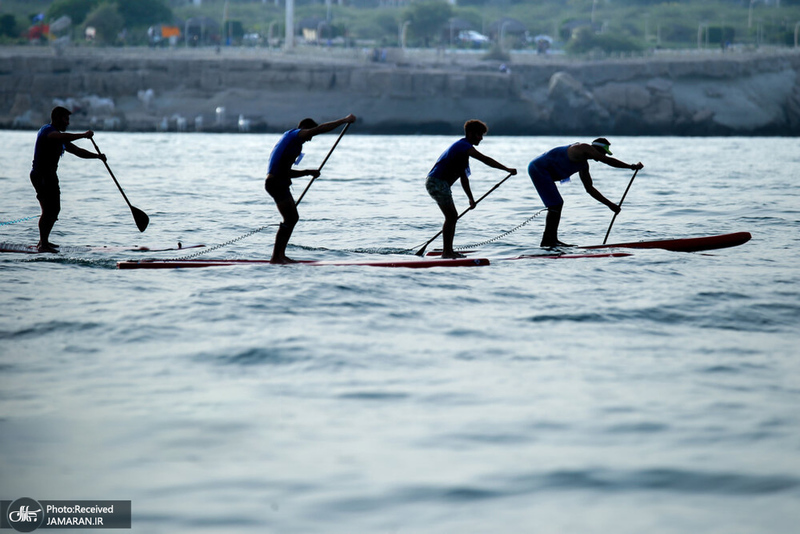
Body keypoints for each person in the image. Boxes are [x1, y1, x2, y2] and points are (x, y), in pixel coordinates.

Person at [265, 114, 356, 264]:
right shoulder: (295, 135)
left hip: (278, 182)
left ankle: (280, 256)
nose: (310, 139)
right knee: (291, 218)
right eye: (310, 134)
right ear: (305, 128)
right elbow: (319, 129)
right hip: (275, 183)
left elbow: (285, 171)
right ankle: (276, 257)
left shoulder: (292, 142)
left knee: (291, 218)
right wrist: (344, 121)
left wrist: (308, 172)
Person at [527, 138, 644, 247]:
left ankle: (550, 240)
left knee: (556, 204)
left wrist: (610, 205)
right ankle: (549, 241)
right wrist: (631, 166)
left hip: (543, 171)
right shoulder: (583, 147)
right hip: (538, 168)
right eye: (603, 152)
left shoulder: (583, 165)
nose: (602, 155)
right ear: (596, 148)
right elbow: (607, 161)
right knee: (556, 204)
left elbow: (590, 189)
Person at [425, 120, 517, 259]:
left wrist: (471, 199)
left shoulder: (462, 151)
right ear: (470, 134)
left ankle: (448, 250)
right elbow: (485, 159)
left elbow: (463, 178)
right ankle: (447, 252)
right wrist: (506, 169)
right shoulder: (463, 146)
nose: (481, 138)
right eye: (479, 134)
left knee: (452, 217)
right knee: (451, 217)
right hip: (437, 183)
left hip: (437, 183)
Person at [30, 106, 106, 253]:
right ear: (58, 118)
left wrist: (97, 156)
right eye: (66, 119)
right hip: (40, 176)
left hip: (51, 176)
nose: (68, 123)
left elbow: (78, 151)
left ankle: (43, 242)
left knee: (55, 209)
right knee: (48, 211)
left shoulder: (60, 138)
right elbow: (59, 137)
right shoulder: (47, 131)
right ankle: (43, 244)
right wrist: (84, 135)